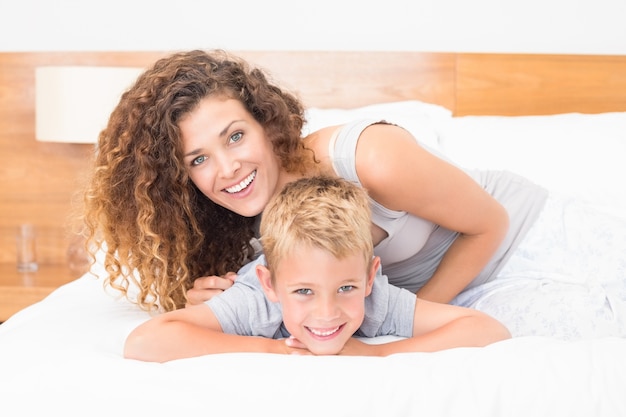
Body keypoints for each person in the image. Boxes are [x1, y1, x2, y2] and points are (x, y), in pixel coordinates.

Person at [85, 49, 626, 339]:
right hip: (459, 295)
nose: (228, 168)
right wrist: (211, 297)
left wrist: (396, 326)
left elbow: (490, 223)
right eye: (197, 159)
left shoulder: (369, 158)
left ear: (267, 122)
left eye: (235, 136)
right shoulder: (233, 217)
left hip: (531, 239)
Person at [124, 176, 511, 362]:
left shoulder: (374, 298)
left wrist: (379, 355)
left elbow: (487, 329)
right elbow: (144, 341)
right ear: (271, 283)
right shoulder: (256, 301)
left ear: (369, 276)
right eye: (304, 292)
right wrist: (274, 348)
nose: (327, 314)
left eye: (344, 288)